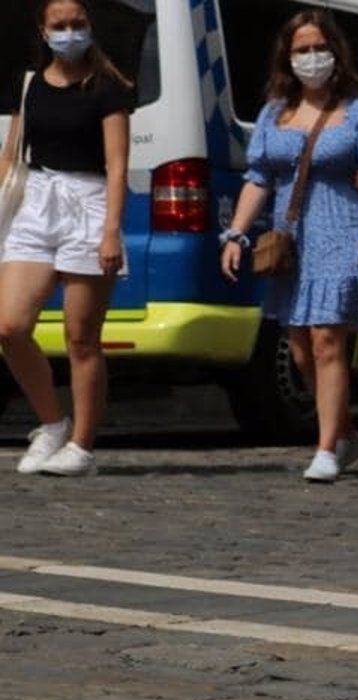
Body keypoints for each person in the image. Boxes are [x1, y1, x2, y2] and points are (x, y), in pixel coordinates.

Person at [220, 11, 358, 483]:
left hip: (343, 231)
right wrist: (235, 233)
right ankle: (345, 433)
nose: (312, 58)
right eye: (302, 50)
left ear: (336, 53)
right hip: (291, 240)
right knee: (298, 347)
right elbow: (259, 178)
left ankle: (325, 448)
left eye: (320, 48)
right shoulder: (275, 113)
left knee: (327, 340)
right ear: (287, 57)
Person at [0, 0, 133, 478]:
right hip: (37, 200)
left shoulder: (107, 87)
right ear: (43, 29)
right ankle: (52, 423)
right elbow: (12, 152)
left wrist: (111, 231)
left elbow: (117, 165)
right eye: (60, 25)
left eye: (78, 24)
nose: (70, 32)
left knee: (82, 337)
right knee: (10, 326)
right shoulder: (30, 83)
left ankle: (82, 446)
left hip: (89, 203)